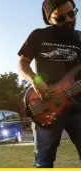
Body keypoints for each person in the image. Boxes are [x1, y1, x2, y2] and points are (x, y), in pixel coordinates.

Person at [18, 0, 81, 168]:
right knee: (43, 161)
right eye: (60, 18)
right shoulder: (38, 35)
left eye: (71, 14)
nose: (68, 19)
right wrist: (35, 80)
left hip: (78, 107)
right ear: (48, 19)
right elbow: (22, 63)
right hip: (46, 104)